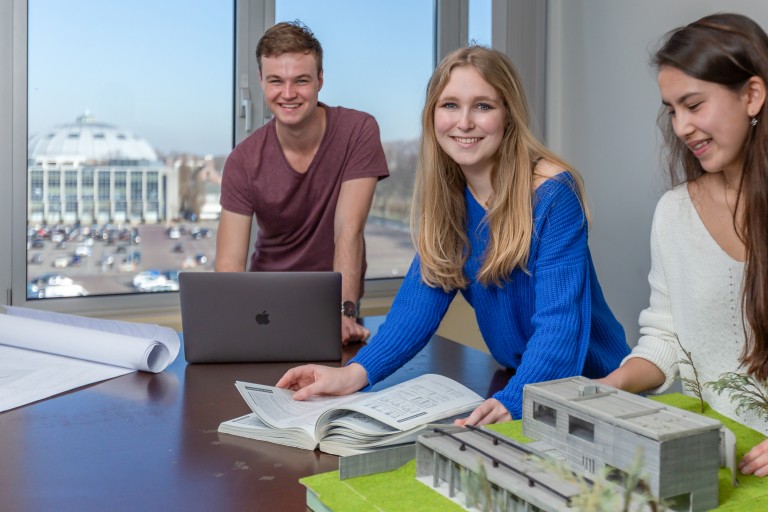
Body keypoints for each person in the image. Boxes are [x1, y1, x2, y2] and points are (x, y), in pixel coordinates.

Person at [276, 46, 629, 425]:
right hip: (525, 383)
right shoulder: (451, 200)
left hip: (595, 390)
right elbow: (417, 306)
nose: (464, 122)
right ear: (432, 117)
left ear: (508, 115)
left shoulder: (553, 194)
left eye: (482, 106)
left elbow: (559, 328)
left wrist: (511, 402)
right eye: (449, 106)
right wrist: (352, 375)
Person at [599, 13, 768, 477]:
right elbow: (667, 336)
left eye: (694, 105)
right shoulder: (674, 212)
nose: (681, 127)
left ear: (752, 95)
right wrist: (608, 386)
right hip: (719, 444)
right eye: (672, 110)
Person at [215, 21, 390, 344]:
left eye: (301, 80)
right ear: (261, 82)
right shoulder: (242, 161)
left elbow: (348, 230)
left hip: (335, 304)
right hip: (264, 309)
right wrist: (229, 326)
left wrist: (345, 313)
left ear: (320, 80)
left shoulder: (358, 131)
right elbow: (229, 263)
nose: (288, 93)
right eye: (276, 81)